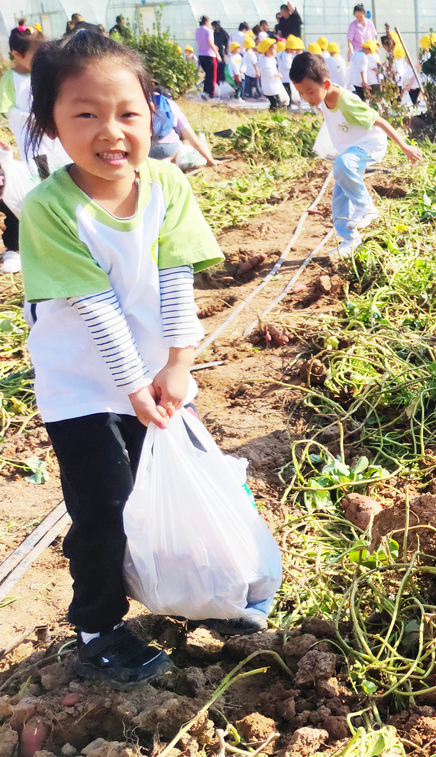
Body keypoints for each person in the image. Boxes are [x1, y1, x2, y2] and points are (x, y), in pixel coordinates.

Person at [20, 29, 237, 688]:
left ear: (154, 114)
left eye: (127, 113)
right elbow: (98, 309)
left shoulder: (167, 183)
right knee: (104, 505)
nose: (110, 131)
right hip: (83, 390)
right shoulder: (50, 207)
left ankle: (181, 588)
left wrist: (177, 365)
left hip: (154, 376)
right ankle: (97, 626)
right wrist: (137, 384)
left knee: (160, 488)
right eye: (85, 113)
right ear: (49, 124)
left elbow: (176, 280)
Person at [289, 51, 423, 259]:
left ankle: (366, 207)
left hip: (369, 145)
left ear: (325, 84)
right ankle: (350, 241)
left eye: (310, 92)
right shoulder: (323, 99)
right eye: (302, 94)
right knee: (339, 199)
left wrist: (405, 147)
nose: (307, 99)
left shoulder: (347, 100)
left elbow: (380, 121)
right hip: (350, 150)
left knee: (342, 166)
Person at [1, 22, 71, 183]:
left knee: (62, 162)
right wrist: (31, 118)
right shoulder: (11, 79)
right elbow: (7, 109)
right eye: (35, 56)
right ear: (16, 54)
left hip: (52, 130)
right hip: (30, 135)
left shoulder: (46, 74)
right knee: (42, 170)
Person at [149, 87, 218, 167]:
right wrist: (210, 160)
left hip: (147, 150)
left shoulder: (143, 101)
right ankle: (168, 160)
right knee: (181, 143)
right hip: (168, 148)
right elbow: (192, 139)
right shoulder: (170, 104)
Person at [256, 37, 285, 110]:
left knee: (277, 102)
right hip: (270, 87)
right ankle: (274, 115)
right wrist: (277, 74)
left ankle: (274, 114)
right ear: (267, 50)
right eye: (274, 49)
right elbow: (269, 73)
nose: (275, 51)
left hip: (273, 85)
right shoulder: (265, 60)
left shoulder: (271, 59)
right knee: (275, 103)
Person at [195, 17, 217, 98]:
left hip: (201, 55)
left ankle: (205, 92)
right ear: (207, 22)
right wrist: (217, 53)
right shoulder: (209, 31)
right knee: (212, 76)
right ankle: (210, 94)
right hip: (210, 55)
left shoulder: (197, 31)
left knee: (207, 75)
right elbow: (210, 42)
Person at [279, 35, 302, 105]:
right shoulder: (284, 55)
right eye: (292, 49)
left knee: (290, 91)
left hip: (288, 76)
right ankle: (288, 106)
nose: (293, 51)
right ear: (288, 48)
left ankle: (290, 104)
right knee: (287, 91)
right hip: (285, 76)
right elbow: (287, 66)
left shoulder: (288, 54)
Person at [213, 21, 229, 86]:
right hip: (216, 51)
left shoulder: (223, 33)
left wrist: (226, 50)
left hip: (222, 50)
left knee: (222, 66)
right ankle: (217, 81)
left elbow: (227, 41)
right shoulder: (214, 33)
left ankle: (222, 80)